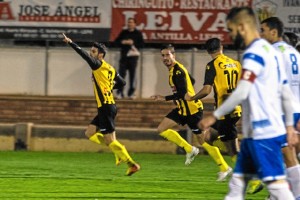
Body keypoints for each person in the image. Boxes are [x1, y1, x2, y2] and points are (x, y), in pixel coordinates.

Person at [199, 7, 298, 200]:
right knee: (237, 185)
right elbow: (285, 90)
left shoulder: (254, 53)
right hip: (264, 127)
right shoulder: (273, 52)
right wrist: (289, 126)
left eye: (231, 29)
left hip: (263, 129)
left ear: (242, 27)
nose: (231, 34)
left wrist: (214, 116)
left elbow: (242, 91)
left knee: (278, 185)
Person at [62, 33, 140, 176]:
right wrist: (110, 87)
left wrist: (70, 42)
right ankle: (118, 151)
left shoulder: (97, 64)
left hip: (105, 107)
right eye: (91, 51)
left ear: (100, 55)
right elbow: (123, 82)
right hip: (109, 106)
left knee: (110, 140)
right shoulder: (109, 68)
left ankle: (131, 163)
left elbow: (83, 55)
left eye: (94, 51)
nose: (91, 53)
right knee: (90, 133)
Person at [151, 44, 232, 181]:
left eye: (167, 55)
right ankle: (190, 149)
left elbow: (182, 93)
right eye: (163, 55)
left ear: (173, 55)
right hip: (182, 109)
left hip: (192, 111)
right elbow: (191, 81)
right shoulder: (175, 70)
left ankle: (224, 167)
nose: (165, 58)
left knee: (203, 141)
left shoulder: (177, 71)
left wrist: (164, 98)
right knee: (161, 129)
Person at [260, 16, 300, 199]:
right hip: (295, 108)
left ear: (274, 32)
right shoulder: (294, 52)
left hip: (282, 111)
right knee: (285, 155)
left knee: (286, 155)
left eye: (263, 30)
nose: (261, 34)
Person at [114, 17, 144, 99]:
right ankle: (120, 92)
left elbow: (142, 44)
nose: (130, 24)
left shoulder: (138, 34)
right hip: (123, 58)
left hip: (133, 59)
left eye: (131, 22)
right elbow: (116, 42)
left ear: (135, 24)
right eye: (128, 22)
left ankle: (131, 93)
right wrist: (122, 42)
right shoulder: (124, 33)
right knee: (120, 76)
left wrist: (133, 43)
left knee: (132, 76)